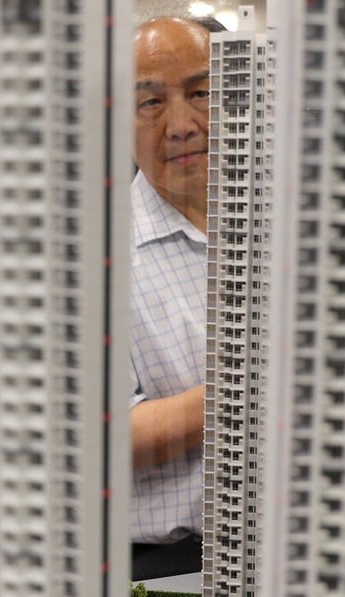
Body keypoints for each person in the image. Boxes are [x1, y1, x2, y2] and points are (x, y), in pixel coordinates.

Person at [128, 15, 224, 576]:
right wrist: (253, 388)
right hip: (173, 564)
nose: (183, 125)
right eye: (151, 103)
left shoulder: (300, 217)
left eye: (201, 93)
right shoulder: (91, 260)